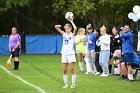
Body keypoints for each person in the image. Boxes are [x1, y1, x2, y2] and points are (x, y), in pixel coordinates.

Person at [55, 18, 77, 88]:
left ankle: (73, 84)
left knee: (72, 69)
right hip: (64, 53)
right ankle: (66, 84)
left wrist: (71, 21)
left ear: (70, 28)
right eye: (65, 28)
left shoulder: (73, 35)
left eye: (67, 28)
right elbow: (56, 27)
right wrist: (59, 26)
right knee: (64, 70)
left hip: (71, 53)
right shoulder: (64, 34)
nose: (66, 30)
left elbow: (75, 28)